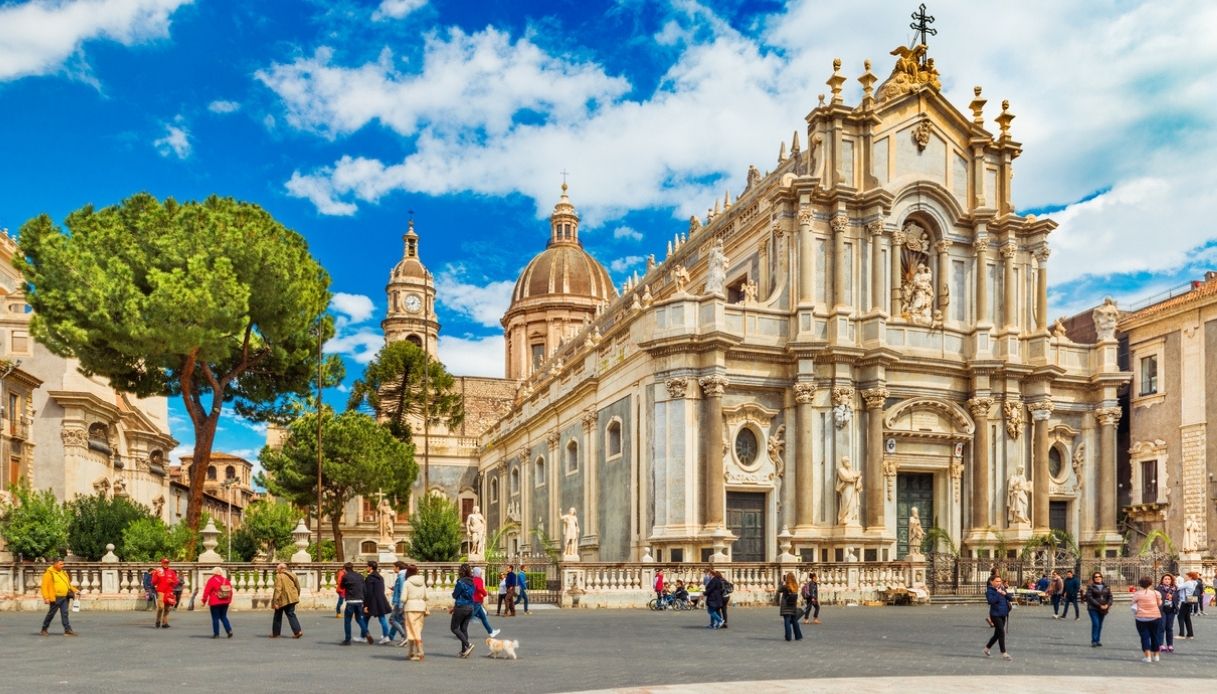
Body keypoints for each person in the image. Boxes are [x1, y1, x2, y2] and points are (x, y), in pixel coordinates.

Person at [39, 558, 79, 637]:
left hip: (65, 597)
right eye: (61, 564)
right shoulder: (48, 574)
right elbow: (44, 586)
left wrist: (75, 590)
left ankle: (67, 630)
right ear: (55, 564)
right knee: (51, 614)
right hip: (55, 597)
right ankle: (44, 629)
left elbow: (68, 584)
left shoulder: (64, 573)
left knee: (65, 613)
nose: (62, 566)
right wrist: (46, 597)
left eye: (63, 564)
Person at [1132, 576, 1163, 662]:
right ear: (1151, 584)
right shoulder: (1156, 593)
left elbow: (1133, 602)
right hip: (1155, 616)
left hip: (1141, 617)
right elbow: (1159, 603)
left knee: (1144, 637)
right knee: (1155, 636)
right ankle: (1156, 655)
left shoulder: (1137, 594)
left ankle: (1147, 656)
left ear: (1140, 584)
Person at [339, 561, 371, 645]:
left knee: (347, 620)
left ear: (345, 569)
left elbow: (341, 586)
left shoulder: (346, 576)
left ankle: (347, 639)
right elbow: (364, 589)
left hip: (350, 600)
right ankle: (366, 632)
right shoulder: (360, 576)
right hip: (360, 600)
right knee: (359, 618)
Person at [402, 564, 429, 661]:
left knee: (411, 630)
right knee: (417, 629)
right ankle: (412, 652)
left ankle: (418, 651)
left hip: (410, 607)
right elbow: (426, 596)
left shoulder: (407, 583)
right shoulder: (422, 582)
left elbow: (403, 598)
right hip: (421, 607)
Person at [363, 560, 394, 644]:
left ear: (370, 567)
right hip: (381, 600)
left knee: (365, 618)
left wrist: (366, 605)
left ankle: (364, 635)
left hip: (372, 601)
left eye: (367, 566)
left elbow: (368, 593)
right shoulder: (380, 577)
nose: (366, 568)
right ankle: (386, 636)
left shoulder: (369, 578)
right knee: (382, 619)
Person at [983, 574, 1013, 660]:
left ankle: (987, 648)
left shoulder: (1002, 588)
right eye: (996, 581)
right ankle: (1004, 653)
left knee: (997, 634)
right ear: (991, 582)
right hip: (995, 615)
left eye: (1000, 581)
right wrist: (998, 593)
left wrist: (1005, 594)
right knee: (1001, 632)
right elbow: (991, 601)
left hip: (1003, 614)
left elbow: (1011, 599)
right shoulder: (990, 591)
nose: (999, 583)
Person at [450, 562, 476, 658]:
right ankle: (464, 651)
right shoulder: (472, 582)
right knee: (463, 629)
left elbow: (455, 595)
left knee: (454, 628)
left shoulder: (461, 582)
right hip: (470, 607)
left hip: (461, 607)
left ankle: (468, 645)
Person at [270, 563, 303, 639]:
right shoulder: (292, 575)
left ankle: (275, 633)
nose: (276, 570)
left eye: (277, 568)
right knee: (291, 614)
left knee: (277, 615)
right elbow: (298, 587)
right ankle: (298, 631)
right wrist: (296, 595)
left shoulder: (279, 576)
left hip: (283, 599)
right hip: (293, 598)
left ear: (281, 568)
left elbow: (278, 589)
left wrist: (275, 601)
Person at [200, 566, 233, 639]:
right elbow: (230, 591)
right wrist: (229, 600)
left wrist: (203, 600)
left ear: (213, 573)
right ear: (221, 572)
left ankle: (216, 634)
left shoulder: (211, 580)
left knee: (215, 618)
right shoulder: (226, 580)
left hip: (215, 601)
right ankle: (229, 630)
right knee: (224, 616)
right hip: (225, 601)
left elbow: (207, 591)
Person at [1084, 571, 1113, 647]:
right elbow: (1089, 598)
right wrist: (1099, 605)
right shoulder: (1090, 587)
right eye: (1096, 577)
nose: (1098, 578)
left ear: (1102, 578)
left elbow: (1110, 597)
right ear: (1093, 578)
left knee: (1100, 624)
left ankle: (1097, 640)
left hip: (1103, 608)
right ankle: (1094, 640)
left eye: (1099, 576)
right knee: (1096, 623)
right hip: (1093, 608)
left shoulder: (1106, 586)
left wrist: (1108, 604)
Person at [470, 567, 500, 637]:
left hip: (474, 600)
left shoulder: (472, 579)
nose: (481, 573)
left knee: (483, 617)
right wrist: (485, 593)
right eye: (480, 572)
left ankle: (491, 632)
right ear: (478, 573)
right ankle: (459, 629)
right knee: (469, 617)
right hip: (477, 600)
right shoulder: (479, 579)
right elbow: (480, 588)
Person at [151, 557, 179, 629]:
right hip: (161, 591)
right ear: (162, 563)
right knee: (161, 607)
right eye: (164, 563)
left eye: (167, 563)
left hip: (169, 592)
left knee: (167, 608)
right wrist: (154, 575)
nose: (166, 564)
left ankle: (164, 622)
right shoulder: (158, 571)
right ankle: (158, 621)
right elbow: (153, 582)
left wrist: (172, 581)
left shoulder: (171, 572)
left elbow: (176, 582)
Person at [1157, 573, 1180, 653]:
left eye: (1169, 579)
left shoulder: (1175, 589)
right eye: (1165, 579)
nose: (1167, 580)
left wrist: (1172, 597)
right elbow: (1157, 599)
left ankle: (1170, 645)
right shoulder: (1158, 589)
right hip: (1162, 610)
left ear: (1171, 580)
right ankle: (1160, 645)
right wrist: (1165, 597)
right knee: (1162, 627)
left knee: (1169, 628)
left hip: (1171, 610)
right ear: (1162, 580)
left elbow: (1178, 598)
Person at [777, 572, 803, 642]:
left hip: (786, 606)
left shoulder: (786, 586)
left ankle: (788, 637)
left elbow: (779, 590)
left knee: (787, 621)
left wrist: (782, 582)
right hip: (793, 605)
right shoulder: (796, 586)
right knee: (794, 621)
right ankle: (798, 636)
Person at [388, 561, 407, 646]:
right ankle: (403, 638)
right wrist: (394, 588)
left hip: (400, 601)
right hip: (400, 601)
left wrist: (400, 604)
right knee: (401, 621)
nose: (393, 569)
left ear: (398, 568)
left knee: (392, 620)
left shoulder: (401, 576)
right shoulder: (403, 575)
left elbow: (403, 590)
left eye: (394, 567)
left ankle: (405, 636)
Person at [1178, 571, 1198, 640]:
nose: (1185, 577)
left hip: (1185, 600)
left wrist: (1175, 582)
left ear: (1190, 577)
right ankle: (1190, 634)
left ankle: (1181, 634)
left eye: (1186, 576)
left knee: (1180, 616)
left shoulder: (1188, 583)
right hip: (1191, 600)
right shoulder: (1194, 583)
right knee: (1187, 618)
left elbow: (1178, 587)